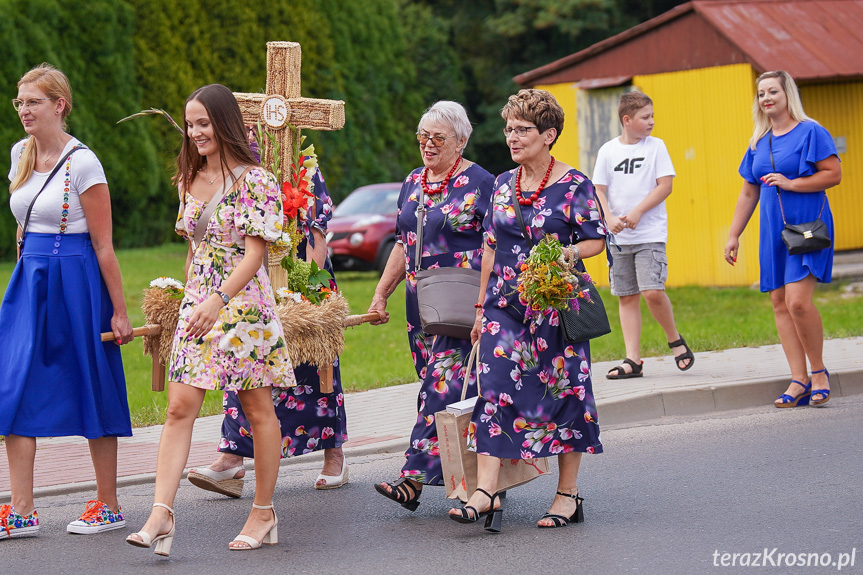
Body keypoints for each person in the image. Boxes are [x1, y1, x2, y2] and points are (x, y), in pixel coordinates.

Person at [126, 84, 295, 555]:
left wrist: (217, 299)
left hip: (242, 304)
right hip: (198, 304)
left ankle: (263, 512)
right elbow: (193, 250)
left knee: (257, 408)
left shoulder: (255, 181)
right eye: (191, 123)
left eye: (204, 123)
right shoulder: (188, 177)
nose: (196, 132)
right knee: (179, 407)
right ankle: (161, 512)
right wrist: (188, 300)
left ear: (224, 124)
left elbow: (255, 254)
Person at [448, 89, 604, 531]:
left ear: (548, 135)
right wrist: (481, 309)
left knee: (566, 394)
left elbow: (595, 238)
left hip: (556, 306)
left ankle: (567, 494)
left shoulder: (575, 185)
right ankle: (485, 490)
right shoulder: (501, 184)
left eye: (522, 130)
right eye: (508, 129)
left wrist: (565, 256)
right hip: (506, 306)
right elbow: (491, 247)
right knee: (495, 389)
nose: (511, 137)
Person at [0, 63, 134, 540]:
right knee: (12, 383)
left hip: (76, 278)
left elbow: (104, 246)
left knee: (92, 382)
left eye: (32, 101)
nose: (23, 110)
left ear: (59, 105)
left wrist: (119, 311)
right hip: (29, 278)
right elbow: (24, 218)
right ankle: (21, 509)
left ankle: (110, 503)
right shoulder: (19, 153)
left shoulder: (84, 163)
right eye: (19, 102)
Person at [187, 165, 350, 495]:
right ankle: (231, 458)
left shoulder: (303, 167)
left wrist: (305, 291)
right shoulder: (228, 166)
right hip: (246, 275)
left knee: (312, 368)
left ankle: (335, 455)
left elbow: (316, 233)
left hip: (301, 268)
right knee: (242, 358)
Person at [368, 101, 493, 510]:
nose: (428, 144)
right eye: (423, 136)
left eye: (438, 138)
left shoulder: (482, 183)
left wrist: (484, 302)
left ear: (461, 141)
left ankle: (413, 478)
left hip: (461, 298)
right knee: (442, 387)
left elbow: (498, 244)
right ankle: (484, 480)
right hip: (420, 303)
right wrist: (381, 292)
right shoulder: (413, 181)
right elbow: (405, 245)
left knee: (438, 387)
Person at [725, 70, 841, 408]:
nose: (766, 98)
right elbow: (749, 191)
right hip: (772, 230)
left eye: (773, 91)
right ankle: (798, 379)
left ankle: (819, 372)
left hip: (806, 227)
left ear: (787, 93)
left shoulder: (811, 132)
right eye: (761, 94)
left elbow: (833, 174)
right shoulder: (758, 142)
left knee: (798, 302)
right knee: (779, 302)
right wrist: (734, 234)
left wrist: (791, 183)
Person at [593, 91, 693, 379]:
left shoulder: (656, 147)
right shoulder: (608, 151)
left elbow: (665, 186)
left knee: (652, 291)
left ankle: (674, 339)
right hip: (620, 239)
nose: (651, 122)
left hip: (649, 234)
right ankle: (632, 360)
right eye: (645, 117)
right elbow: (598, 189)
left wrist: (637, 212)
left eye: (652, 116)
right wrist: (609, 217)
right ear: (627, 119)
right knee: (627, 297)